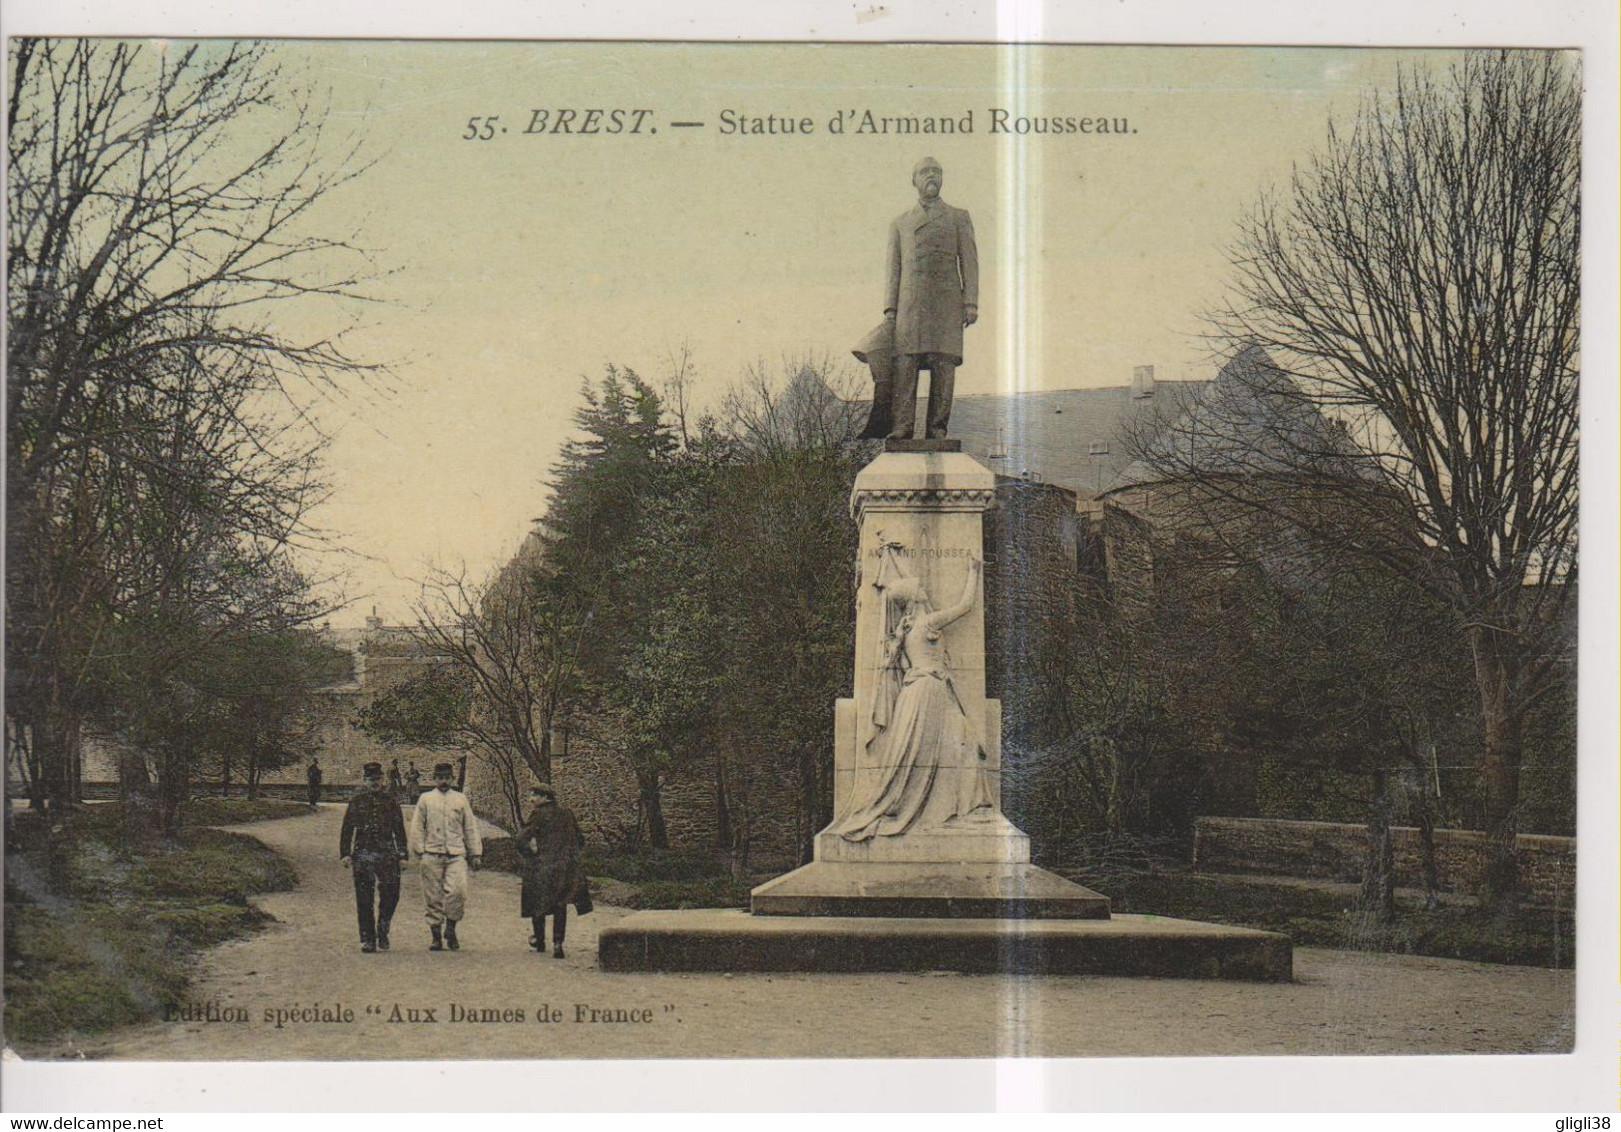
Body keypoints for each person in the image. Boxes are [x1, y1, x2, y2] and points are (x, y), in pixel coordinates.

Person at [832, 549, 994, 841]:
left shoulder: (905, 632)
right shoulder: (929, 623)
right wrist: (974, 571)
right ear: (916, 599)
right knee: (962, 742)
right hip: (930, 693)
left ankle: (956, 807)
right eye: (920, 589)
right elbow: (966, 605)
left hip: (915, 693)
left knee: (942, 746)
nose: (925, 590)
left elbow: (903, 666)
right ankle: (965, 808)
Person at [883, 156, 979, 440]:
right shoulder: (900, 223)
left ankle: (937, 429)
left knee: (944, 365)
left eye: (936, 171)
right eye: (925, 172)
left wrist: (970, 301)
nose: (931, 176)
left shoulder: (958, 217)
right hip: (909, 306)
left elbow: (970, 262)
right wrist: (890, 309)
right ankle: (903, 427)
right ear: (914, 180)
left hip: (946, 304)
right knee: (905, 365)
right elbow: (893, 269)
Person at [411, 762, 483, 951]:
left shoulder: (460, 799)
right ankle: (435, 936)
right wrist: (419, 849)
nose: (443, 781)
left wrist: (475, 852)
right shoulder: (426, 799)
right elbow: (418, 825)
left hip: (456, 854)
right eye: (440, 778)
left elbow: (470, 826)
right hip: (432, 854)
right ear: (435, 779)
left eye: (447, 778)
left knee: (457, 892)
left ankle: (451, 929)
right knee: (433, 895)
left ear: (452, 779)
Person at [514, 782, 591, 959]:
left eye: (534, 795)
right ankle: (558, 943)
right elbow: (580, 839)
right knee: (560, 904)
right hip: (565, 867)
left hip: (543, 865)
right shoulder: (567, 814)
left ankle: (539, 940)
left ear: (545, 797)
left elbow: (520, 839)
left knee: (537, 901)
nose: (531, 799)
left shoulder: (538, 814)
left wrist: (530, 853)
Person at [339, 762, 410, 953]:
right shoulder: (356, 802)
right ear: (365, 781)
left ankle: (383, 927)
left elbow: (399, 830)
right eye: (371, 780)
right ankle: (368, 939)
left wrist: (403, 855)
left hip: (387, 853)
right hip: (363, 853)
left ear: (383, 780)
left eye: (378, 779)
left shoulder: (391, 802)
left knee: (391, 894)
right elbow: (347, 829)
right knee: (364, 898)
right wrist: (345, 853)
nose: (375, 783)